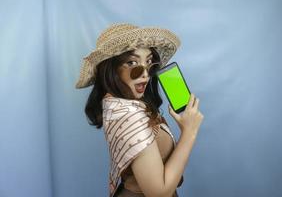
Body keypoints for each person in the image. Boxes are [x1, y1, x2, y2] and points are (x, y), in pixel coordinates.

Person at [75, 23, 204, 197]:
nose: (145, 73)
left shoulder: (118, 105)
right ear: (111, 69)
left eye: (149, 62)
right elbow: (159, 193)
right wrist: (189, 132)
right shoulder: (129, 114)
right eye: (132, 63)